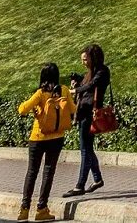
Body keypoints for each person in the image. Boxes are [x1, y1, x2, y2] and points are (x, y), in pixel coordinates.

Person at [16, 61, 75, 222]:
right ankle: (42, 208)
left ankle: (24, 209)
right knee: (48, 172)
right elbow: (72, 109)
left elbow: (22, 110)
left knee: (32, 172)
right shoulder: (63, 90)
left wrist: (36, 109)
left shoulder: (41, 93)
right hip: (57, 137)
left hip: (37, 137)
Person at [64, 43, 111, 199]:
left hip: (91, 113)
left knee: (85, 149)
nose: (83, 62)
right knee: (87, 148)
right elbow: (87, 84)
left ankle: (80, 185)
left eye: (85, 59)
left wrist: (75, 90)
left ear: (93, 58)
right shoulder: (91, 72)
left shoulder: (103, 72)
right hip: (83, 112)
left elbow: (92, 85)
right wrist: (77, 80)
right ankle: (97, 179)